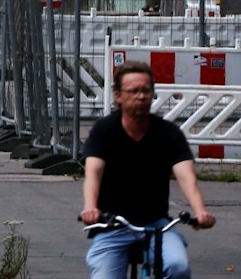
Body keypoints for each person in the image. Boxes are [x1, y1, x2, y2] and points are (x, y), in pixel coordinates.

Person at [80, 60, 216, 279]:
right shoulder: (104, 131)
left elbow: (186, 176)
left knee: (177, 267)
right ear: (118, 95)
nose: (141, 96)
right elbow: (93, 172)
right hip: (112, 225)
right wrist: (90, 208)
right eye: (133, 91)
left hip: (157, 225)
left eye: (146, 90)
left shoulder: (168, 133)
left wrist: (200, 212)